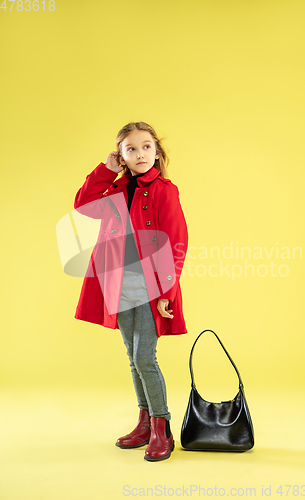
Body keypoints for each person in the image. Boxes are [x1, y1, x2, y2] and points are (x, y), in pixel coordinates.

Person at [73, 121, 188, 461]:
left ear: (157, 152)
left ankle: (160, 426)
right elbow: (83, 204)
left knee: (144, 356)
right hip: (118, 281)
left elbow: (177, 239)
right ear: (121, 156)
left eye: (147, 146)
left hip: (152, 285)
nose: (141, 153)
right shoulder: (116, 189)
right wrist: (105, 171)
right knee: (131, 354)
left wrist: (167, 289)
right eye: (131, 149)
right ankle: (143, 421)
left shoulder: (166, 190)